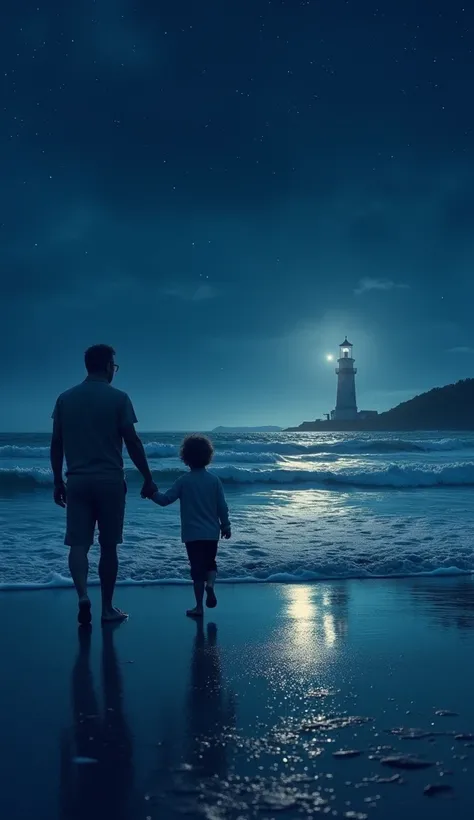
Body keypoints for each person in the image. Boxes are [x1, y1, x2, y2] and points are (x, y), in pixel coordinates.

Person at [50, 344, 157, 625]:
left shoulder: (65, 399)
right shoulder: (119, 398)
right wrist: (147, 477)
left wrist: (56, 480)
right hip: (110, 481)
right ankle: (107, 608)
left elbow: (56, 443)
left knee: (78, 545)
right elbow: (132, 441)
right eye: (115, 365)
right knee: (109, 547)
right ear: (109, 365)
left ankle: (83, 595)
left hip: (77, 481)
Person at [143, 434, 231, 618]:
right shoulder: (214, 480)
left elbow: (166, 500)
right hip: (211, 532)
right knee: (211, 564)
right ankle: (211, 585)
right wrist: (225, 525)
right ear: (208, 456)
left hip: (192, 534)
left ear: (186, 458)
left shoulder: (184, 480)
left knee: (196, 569)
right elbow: (222, 506)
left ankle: (198, 607)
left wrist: (151, 493)